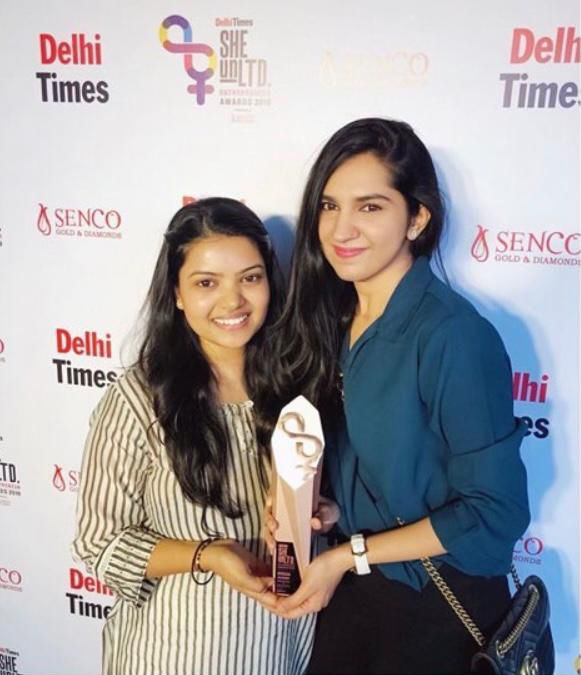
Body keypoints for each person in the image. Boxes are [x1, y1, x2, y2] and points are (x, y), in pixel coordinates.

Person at [267, 118, 530, 675]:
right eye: (329, 206)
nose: (341, 228)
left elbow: (495, 512)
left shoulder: (454, 335)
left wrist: (350, 554)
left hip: (438, 610)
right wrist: (333, 512)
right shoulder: (335, 320)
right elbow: (394, 479)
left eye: (370, 207)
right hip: (356, 600)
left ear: (417, 218)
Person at [72, 198, 315, 675]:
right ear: (177, 294)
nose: (233, 301)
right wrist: (208, 555)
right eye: (207, 283)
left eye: (250, 278)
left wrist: (320, 513)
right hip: (176, 654)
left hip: (281, 650)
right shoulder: (141, 399)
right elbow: (99, 545)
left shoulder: (297, 389)